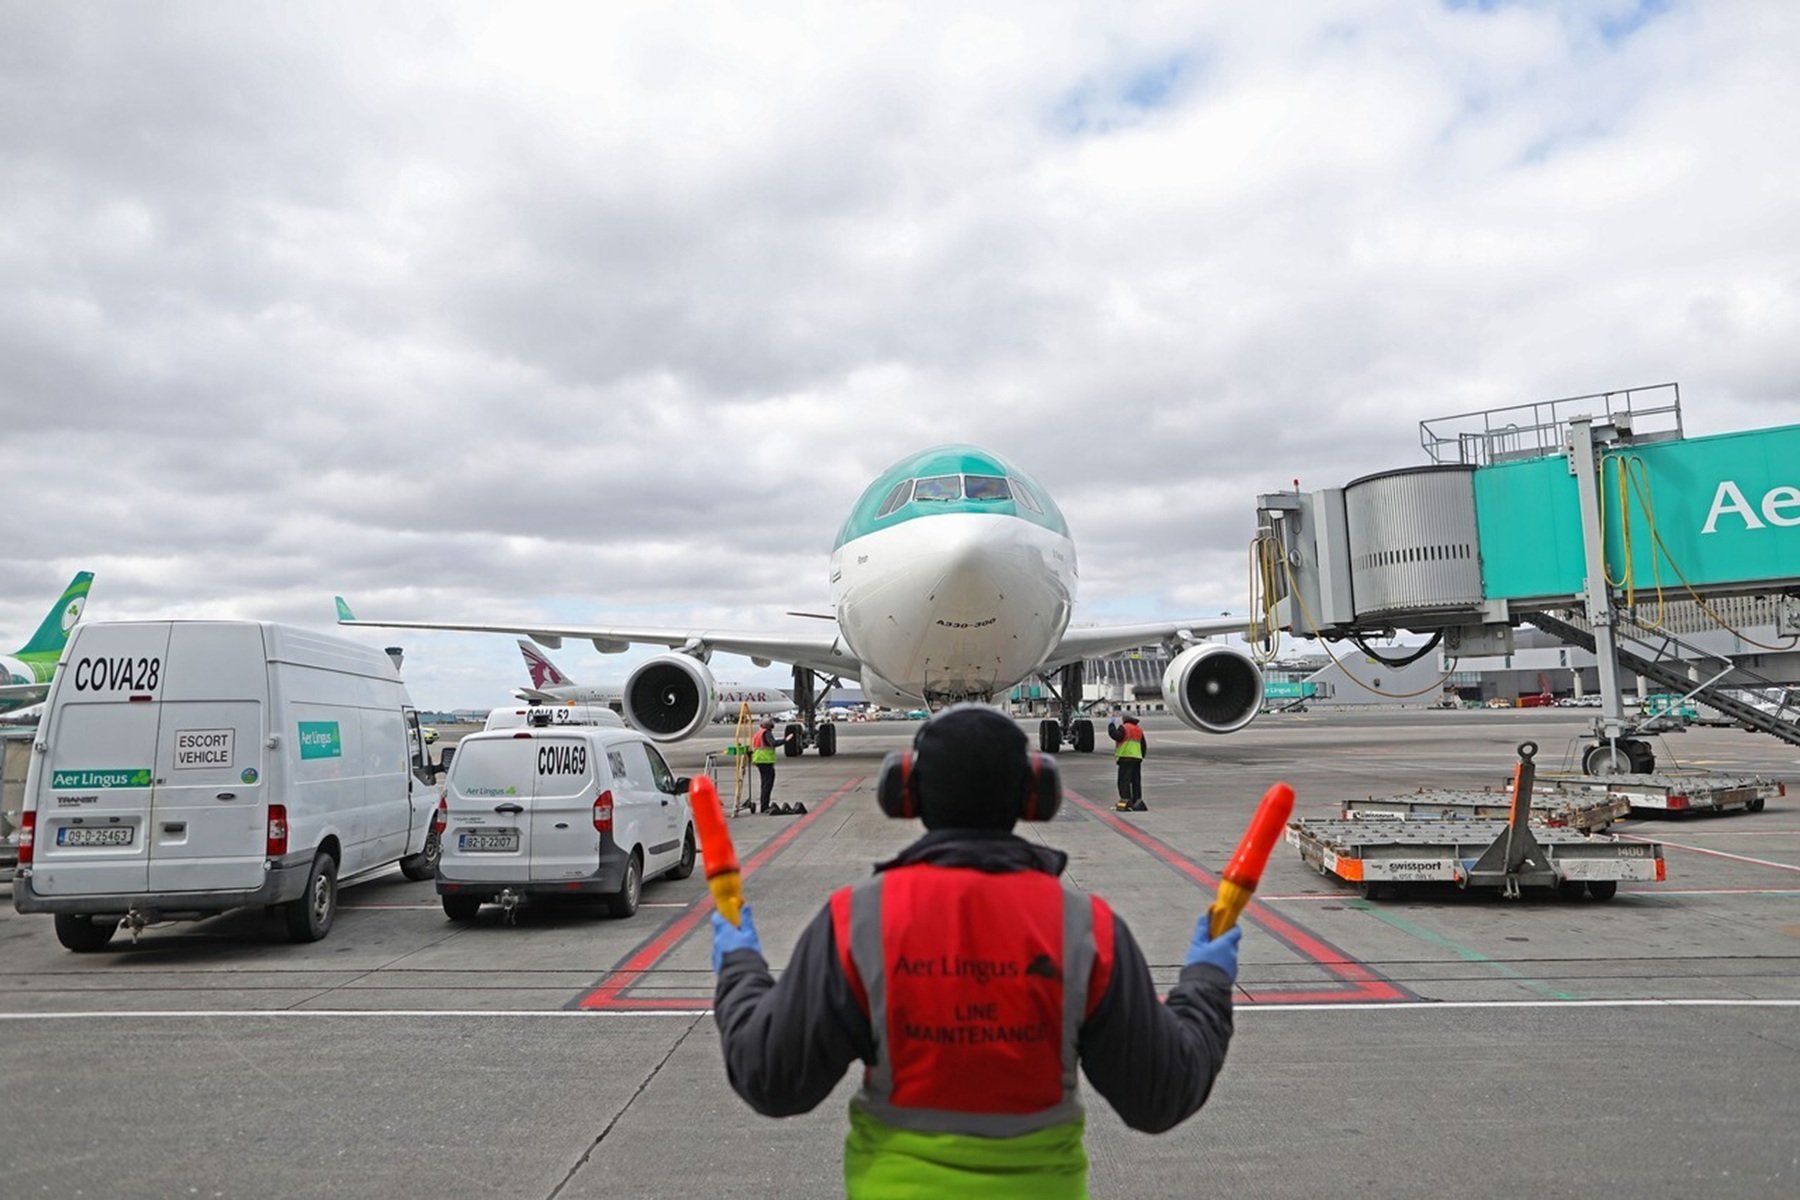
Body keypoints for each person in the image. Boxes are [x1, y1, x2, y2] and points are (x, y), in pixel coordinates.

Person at [711, 704, 1237, 1198]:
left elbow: (773, 1080)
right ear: (1036, 792)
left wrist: (740, 969)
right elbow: (1161, 1095)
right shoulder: (1086, 929)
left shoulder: (858, 921)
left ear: (905, 793)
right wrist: (1206, 984)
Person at [1108, 713, 1147, 811]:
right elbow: (1143, 746)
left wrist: (1111, 726)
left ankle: (1125, 802)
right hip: (1136, 758)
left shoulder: (1124, 728)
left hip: (1125, 757)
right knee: (1135, 781)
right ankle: (1137, 801)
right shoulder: (1138, 729)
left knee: (1124, 781)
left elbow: (1116, 736)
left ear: (1124, 720)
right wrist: (1141, 756)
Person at [750, 717, 783, 813]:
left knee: (764, 783)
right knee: (768, 784)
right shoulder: (766, 733)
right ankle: (764, 806)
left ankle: (763, 805)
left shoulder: (758, 733)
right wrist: (785, 740)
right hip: (766, 761)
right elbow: (773, 743)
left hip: (759, 760)